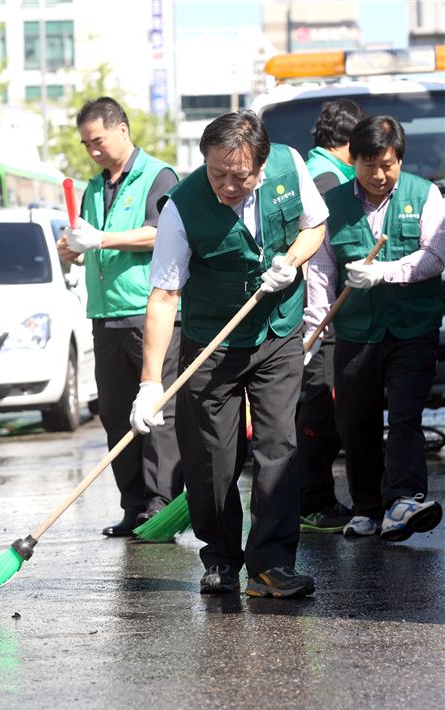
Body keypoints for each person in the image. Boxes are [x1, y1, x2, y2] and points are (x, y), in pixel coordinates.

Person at [130, 110, 328, 597]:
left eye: (238, 176)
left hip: (277, 331)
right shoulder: (182, 207)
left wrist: (291, 262)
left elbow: (315, 225)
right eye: (216, 172)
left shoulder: (289, 167)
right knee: (212, 458)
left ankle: (271, 565)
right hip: (212, 344)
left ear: (261, 165)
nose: (226, 185)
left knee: (278, 446)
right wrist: (150, 384)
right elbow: (164, 295)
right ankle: (220, 557)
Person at [304, 114, 445, 542]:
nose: (380, 175)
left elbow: (435, 257)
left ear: (400, 159)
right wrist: (313, 331)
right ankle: (367, 508)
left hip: (412, 329)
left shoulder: (426, 196)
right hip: (355, 332)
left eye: (388, 165)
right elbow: (322, 273)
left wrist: (385, 272)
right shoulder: (333, 205)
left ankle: (403, 500)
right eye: (370, 166)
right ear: (354, 161)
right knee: (355, 421)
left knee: (404, 415)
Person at [57, 97, 183, 537]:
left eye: (98, 140)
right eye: (86, 144)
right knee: (115, 414)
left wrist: (101, 239)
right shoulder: (94, 188)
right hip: (105, 314)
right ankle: (133, 505)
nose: (93, 150)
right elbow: (88, 246)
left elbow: (159, 233)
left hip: (150, 310)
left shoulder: (158, 175)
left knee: (157, 413)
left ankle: (161, 505)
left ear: (122, 130)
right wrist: (73, 249)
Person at [297, 99, 366, 534]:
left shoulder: (317, 171)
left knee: (319, 407)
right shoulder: (327, 180)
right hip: (319, 315)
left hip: (320, 313)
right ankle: (313, 501)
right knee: (318, 409)